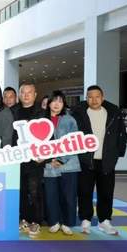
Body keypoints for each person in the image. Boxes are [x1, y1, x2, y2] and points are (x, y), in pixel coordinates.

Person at [72, 85, 127, 236]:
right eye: (90, 97)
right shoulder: (78, 113)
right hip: (86, 159)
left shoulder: (113, 113)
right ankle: (85, 220)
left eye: (97, 97)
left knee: (106, 192)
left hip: (106, 160)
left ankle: (104, 221)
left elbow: (122, 133)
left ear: (102, 98)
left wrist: (118, 153)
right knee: (84, 191)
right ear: (86, 98)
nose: (94, 100)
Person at [43, 90, 80, 236]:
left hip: (69, 164)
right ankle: (54, 221)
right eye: (54, 100)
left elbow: (75, 142)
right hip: (49, 165)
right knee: (51, 194)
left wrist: (61, 159)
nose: (57, 104)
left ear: (64, 104)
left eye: (60, 101)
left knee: (68, 195)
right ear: (49, 103)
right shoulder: (42, 120)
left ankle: (67, 223)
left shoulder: (70, 120)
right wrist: (49, 159)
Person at [11, 83, 46, 238]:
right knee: (21, 191)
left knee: (35, 191)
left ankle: (36, 221)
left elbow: (49, 136)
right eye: (23, 92)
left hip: (35, 159)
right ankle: (23, 219)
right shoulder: (12, 111)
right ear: (19, 95)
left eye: (29, 92)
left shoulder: (42, 113)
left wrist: (44, 155)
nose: (26, 95)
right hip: (16, 158)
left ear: (35, 94)